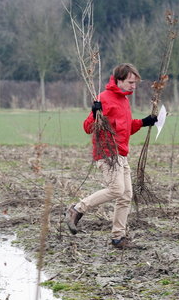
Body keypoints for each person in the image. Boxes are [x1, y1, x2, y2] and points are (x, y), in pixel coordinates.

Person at [65, 63, 157, 249]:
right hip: (107, 153)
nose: (134, 86)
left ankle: (118, 237)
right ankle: (77, 209)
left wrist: (145, 122)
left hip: (121, 155)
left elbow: (124, 129)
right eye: (130, 82)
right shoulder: (104, 98)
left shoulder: (124, 100)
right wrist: (94, 112)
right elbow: (87, 128)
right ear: (119, 80)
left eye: (135, 83)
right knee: (116, 190)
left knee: (125, 195)